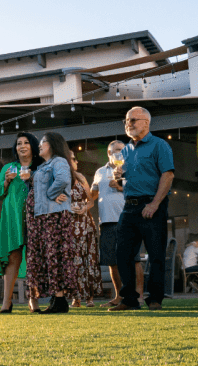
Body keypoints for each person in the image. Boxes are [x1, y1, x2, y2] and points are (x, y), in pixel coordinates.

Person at [109, 107, 175, 312]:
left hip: (152, 204)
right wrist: (118, 176)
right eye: (126, 120)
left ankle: (155, 298)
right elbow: (121, 181)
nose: (129, 123)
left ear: (146, 122)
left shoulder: (159, 145)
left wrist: (155, 203)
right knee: (123, 254)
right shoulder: (125, 150)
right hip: (129, 206)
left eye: (133, 120)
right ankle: (129, 299)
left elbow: (168, 175)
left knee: (155, 254)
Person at [25, 132, 80, 314]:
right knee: (49, 257)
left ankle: (60, 299)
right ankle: (56, 299)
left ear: (53, 144)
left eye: (43, 142)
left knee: (55, 255)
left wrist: (50, 194)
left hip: (53, 216)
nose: (39, 145)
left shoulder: (59, 162)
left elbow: (64, 179)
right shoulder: (43, 166)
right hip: (43, 217)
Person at [0, 132, 40, 313]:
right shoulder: (8, 168)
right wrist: (6, 181)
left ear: (33, 146)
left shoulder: (40, 167)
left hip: (35, 217)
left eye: (26, 143)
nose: (22, 146)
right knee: (12, 258)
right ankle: (7, 301)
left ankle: (33, 300)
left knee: (33, 259)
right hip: (12, 219)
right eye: (19, 143)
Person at [90, 141, 126, 306]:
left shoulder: (130, 169)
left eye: (122, 150)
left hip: (126, 219)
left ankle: (136, 296)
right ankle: (119, 296)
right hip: (106, 221)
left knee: (131, 260)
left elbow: (140, 189)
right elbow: (93, 195)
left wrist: (121, 186)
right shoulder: (99, 172)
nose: (119, 153)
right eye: (116, 150)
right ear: (109, 153)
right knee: (112, 262)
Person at [68, 156, 101, 307]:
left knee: (89, 260)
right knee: (74, 262)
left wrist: (83, 208)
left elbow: (91, 201)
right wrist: (68, 208)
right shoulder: (61, 179)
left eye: (76, 158)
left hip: (85, 224)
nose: (77, 161)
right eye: (73, 159)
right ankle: (76, 297)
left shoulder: (81, 178)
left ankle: (90, 297)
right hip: (69, 225)